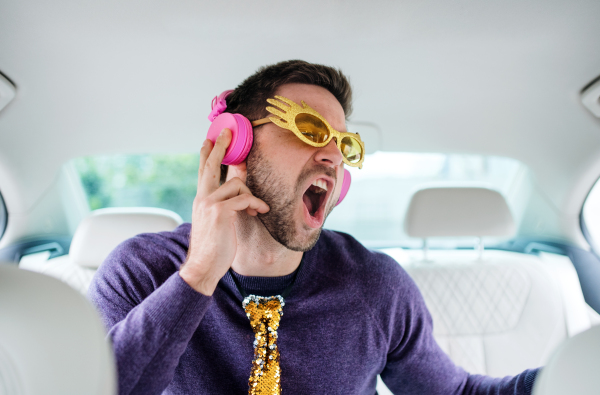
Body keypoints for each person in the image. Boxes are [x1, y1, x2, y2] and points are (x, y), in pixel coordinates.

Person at [88, 60, 539, 395]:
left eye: (344, 143)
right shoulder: (140, 272)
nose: (332, 154)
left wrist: (568, 375)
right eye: (308, 128)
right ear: (234, 144)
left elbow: (456, 394)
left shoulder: (375, 285)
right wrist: (199, 274)